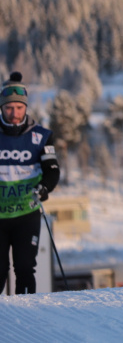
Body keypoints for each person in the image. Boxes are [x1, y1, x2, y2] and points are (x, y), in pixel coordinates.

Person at [0, 72, 60, 294]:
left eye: (18, 107)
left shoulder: (41, 137)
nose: (14, 113)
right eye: (8, 108)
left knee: (25, 268)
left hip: (26, 213)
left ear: (25, 107)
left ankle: (26, 317)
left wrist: (44, 188)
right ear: (2, 108)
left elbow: (52, 170)